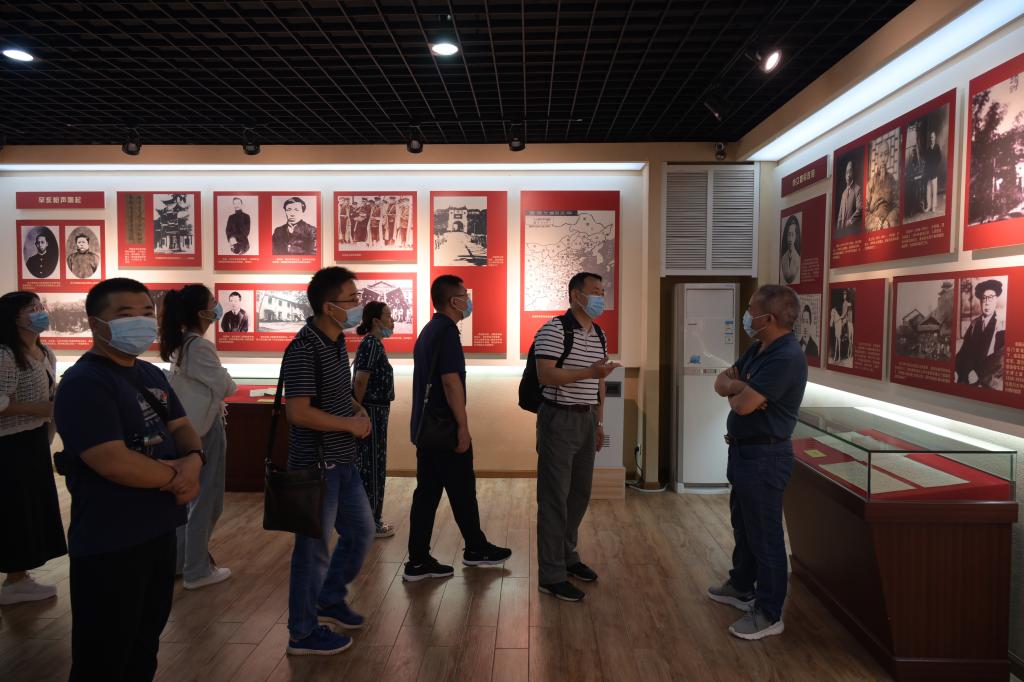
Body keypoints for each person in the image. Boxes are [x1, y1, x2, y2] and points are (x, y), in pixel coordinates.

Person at [53, 278, 203, 680]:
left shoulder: (150, 373)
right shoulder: (85, 382)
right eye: (125, 313)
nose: (140, 321)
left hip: (158, 530)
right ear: (96, 323)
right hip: (111, 538)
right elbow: (112, 460)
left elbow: (182, 426)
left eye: (146, 312)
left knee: (143, 642)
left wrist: (193, 460)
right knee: (104, 654)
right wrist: (179, 478)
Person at [282, 267, 374, 656]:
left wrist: (355, 408)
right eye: (352, 299)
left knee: (361, 531)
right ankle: (302, 632)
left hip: (343, 461)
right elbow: (298, 412)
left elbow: (333, 392)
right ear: (328, 306)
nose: (358, 306)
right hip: (318, 466)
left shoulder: (335, 342)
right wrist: (349, 425)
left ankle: (329, 598)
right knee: (312, 549)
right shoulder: (304, 348)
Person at [708, 284, 807, 641]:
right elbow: (722, 383)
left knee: (765, 536)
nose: (747, 316)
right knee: (744, 526)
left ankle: (769, 612)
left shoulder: (786, 357)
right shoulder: (759, 347)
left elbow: (742, 405)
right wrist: (742, 387)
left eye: (751, 310)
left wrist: (741, 391)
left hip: (766, 457)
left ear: (769, 318)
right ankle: (741, 586)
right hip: (744, 452)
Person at [405, 275, 511, 581]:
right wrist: (462, 427)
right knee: (458, 490)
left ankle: (429, 556)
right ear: (454, 301)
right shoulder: (447, 332)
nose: (468, 300)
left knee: (433, 493)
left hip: (427, 428)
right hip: (444, 428)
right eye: (465, 295)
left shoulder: (430, 330)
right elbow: (451, 382)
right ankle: (466, 550)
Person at [533, 272, 618, 602]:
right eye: (594, 291)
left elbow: (600, 382)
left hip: (586, 420)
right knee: (554, 498)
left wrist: (599, 422)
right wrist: (590, 372)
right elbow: (545, 374)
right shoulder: (554, 330)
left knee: (579, 494)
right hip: (559, 419)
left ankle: (568, 556)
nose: (600, 297)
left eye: (602, 291)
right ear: (575, 295)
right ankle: (551, 574)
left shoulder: (599, 333)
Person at [159, 284, 237, 589]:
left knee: (191, 498)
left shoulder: (181, 343)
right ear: (202, 312)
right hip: (205, 427)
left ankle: (182, 562)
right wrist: (225, 376)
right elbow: (227, 386)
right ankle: (196, 569)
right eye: (213, 302)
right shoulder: (199, 346)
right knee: (208, 499)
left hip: (190, 426)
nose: (218, 306)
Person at [0, 291, 67, 605]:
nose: (40, 312)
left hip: (34, 438)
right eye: (31, 308)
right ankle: (14, 579)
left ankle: (20, 574)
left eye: (40, 306)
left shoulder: (44, 351)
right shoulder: (6, 355)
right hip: (9, 443)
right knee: (15, 508)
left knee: (31, 507)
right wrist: (38, 408)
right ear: (14, 316)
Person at [353, 301, 396, 538]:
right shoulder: (370, 344)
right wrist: (358, 411)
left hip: (376, 412)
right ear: (376, 321)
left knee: (373, 466)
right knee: (372, 468)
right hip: (370, 412)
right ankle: (371, 523)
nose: (392, 320)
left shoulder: (374, 344)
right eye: (388, 316)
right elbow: (360, 380)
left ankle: (368, 521)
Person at [955, 279, 1005, 390]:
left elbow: (1000, 360)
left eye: (990, 297)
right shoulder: (974, 324)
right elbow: (964, 350)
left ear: (996, 299)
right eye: (983, 298)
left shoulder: (1001, 325)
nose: (986, 302)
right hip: (969, 376)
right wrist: (955, 369)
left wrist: (979, 374)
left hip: (988, 380)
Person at [866, 146, 899, 231]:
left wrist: (889, 221)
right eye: (881, 155)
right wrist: (875, 222)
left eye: (885, 155)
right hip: (874, 224)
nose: (883, 159)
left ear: (888, 157)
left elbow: (897, 206)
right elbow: (865, 211)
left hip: (888, 223)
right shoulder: (871, 182)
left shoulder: (892, 180)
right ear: (877, 159)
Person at [835, 161, 863, 238]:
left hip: (852, 232)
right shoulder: (843, 193)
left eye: (850, 171)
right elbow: (840, 216)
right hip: (842, 233)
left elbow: (860, 209)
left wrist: (850, 221)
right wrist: (838, 231)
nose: (848, 175)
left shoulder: (857, 189)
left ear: (853, 173)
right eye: (846, 172)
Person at [923, 130, 943, 214]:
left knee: (934, 190)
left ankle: (934, 207)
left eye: (933, 137)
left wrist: (935, 165)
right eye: (931, 137)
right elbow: (926, 160)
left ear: (935, 138)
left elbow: (939, 157)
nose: (932, 139)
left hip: (934, 171)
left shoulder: (937, 147)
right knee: (928, 190)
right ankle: (928, 206)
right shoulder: (928, 149)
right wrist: (926, 170)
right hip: (928, 172)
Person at [779, 216, 801, 285]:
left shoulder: (798, 259)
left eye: (792, 234)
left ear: (796, 236)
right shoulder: (783, 258)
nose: (790, 238)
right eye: (789, 235)